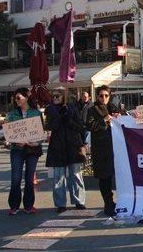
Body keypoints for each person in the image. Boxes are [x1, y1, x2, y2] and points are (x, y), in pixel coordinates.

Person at [44, 88, 87, 213]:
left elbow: (80, 126)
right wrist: (59, 118)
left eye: (58, 96)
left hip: (73, 145)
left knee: (76, 174)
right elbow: (48, 126)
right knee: (58, 176)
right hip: (57, 147)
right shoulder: (50, 109)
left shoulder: (72, 108)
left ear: (64, 97)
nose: (55, 98)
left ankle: (79, 201)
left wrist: (69, 120)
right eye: (53, 96)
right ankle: (60, 203)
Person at [6, 87, 43, 215]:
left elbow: (40, 132)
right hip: (17, 149)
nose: (16, 100)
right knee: (15, 178)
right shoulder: (11, 114)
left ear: (26, 98)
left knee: (29, 177)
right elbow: (9, 134)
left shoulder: (36, 113)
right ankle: (14, 205)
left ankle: (29, 205)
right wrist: (15, 141)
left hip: (32, 149)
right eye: (14, 98)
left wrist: (36, 142)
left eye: (18, 98)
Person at [86, 85, 119, 217]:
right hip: (101, 149)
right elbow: (90, 125)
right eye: (101, 95)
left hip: (115, 147)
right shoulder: (92, 109)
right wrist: (104, 120)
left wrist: (119, 116)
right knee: (104, 177)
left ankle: (119, 201)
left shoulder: (113, 107)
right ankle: (108, 203)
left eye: (106, 95)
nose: (103, 98)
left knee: (116, 175)